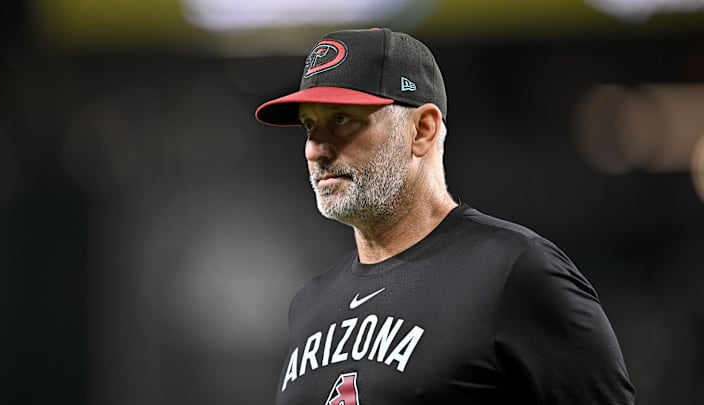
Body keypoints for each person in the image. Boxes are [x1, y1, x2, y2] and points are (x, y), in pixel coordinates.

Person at [255, 27, 635, 405]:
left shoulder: (513, 273)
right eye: (309, 125)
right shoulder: (310, 305)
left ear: (423, 129)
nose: (315, 149)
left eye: (341, 120)